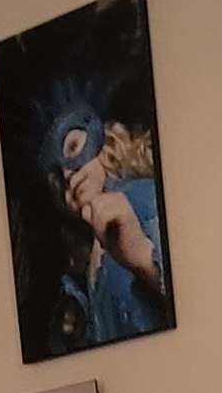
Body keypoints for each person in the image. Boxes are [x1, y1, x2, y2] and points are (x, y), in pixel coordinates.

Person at [45, 108, 168, 347]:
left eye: (72, 148)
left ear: (104, 140)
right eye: (59, 179)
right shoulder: (90, 255)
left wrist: (143, 256)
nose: (68, 174)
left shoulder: (142, 197)